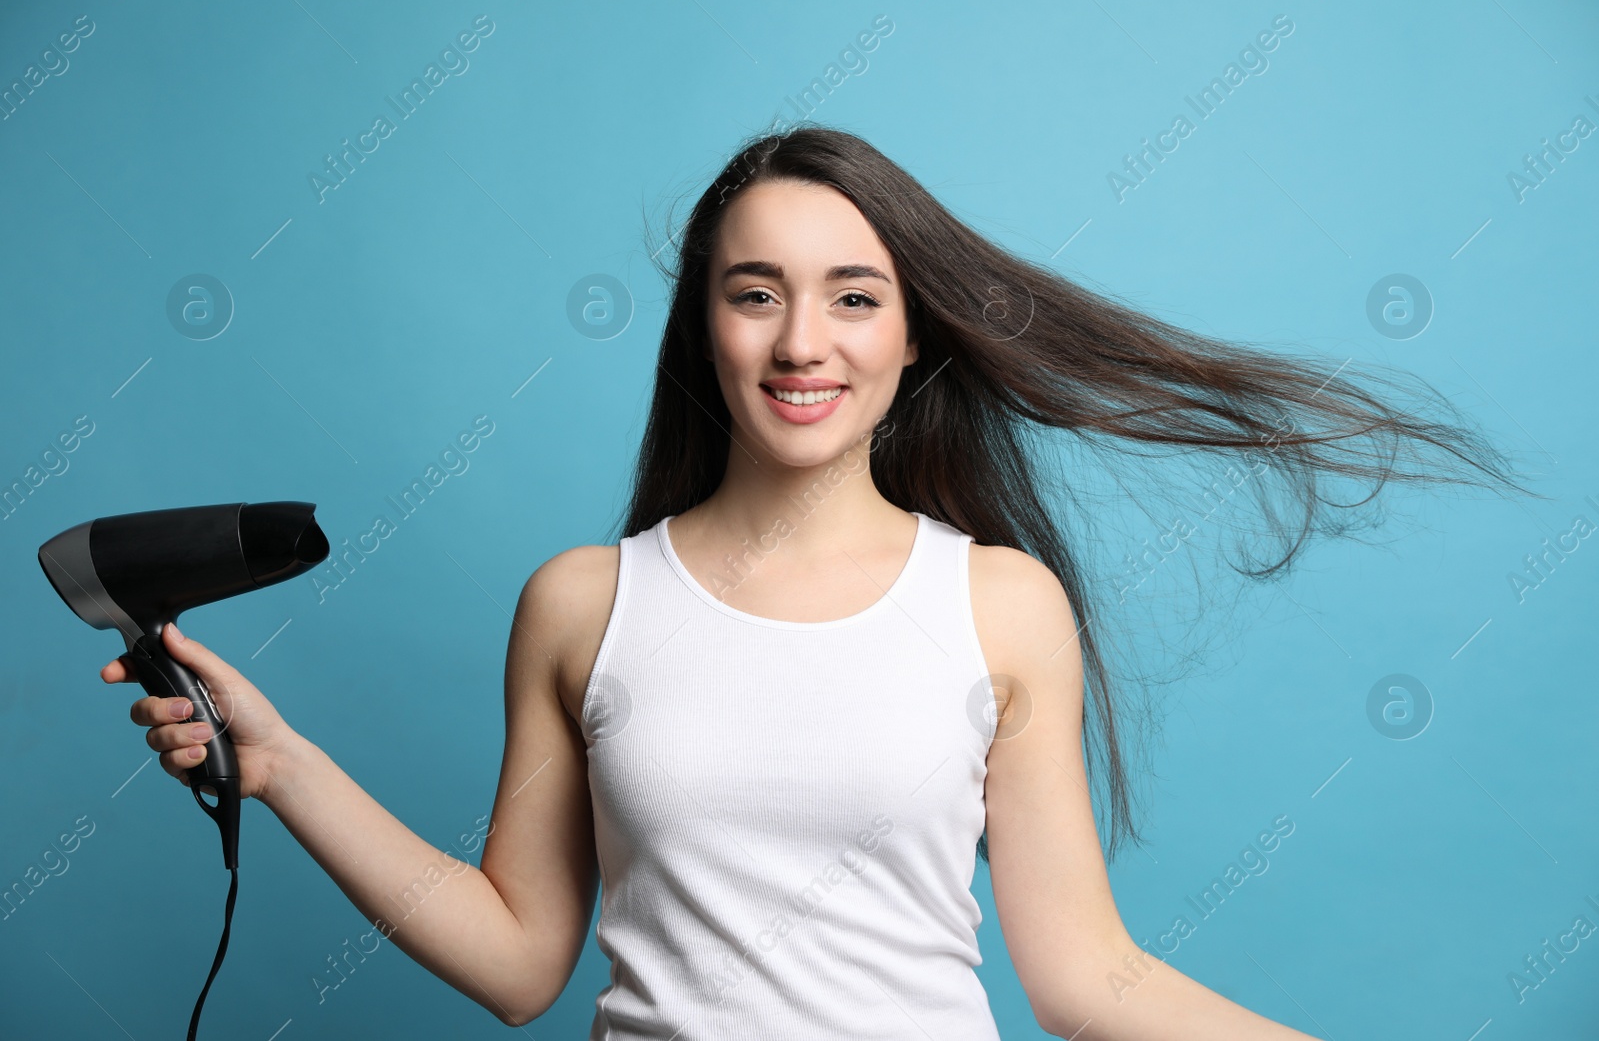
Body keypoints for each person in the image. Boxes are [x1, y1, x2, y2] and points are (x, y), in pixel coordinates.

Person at [106, 124, 1518, 1038]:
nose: (803, 341)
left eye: (854, 294)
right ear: (703, 329)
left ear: (914, 339)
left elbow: (1089, 977)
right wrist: (283, 770)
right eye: (753, 290)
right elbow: (523, 958)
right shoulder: (583, 605)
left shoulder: (1001, 603)